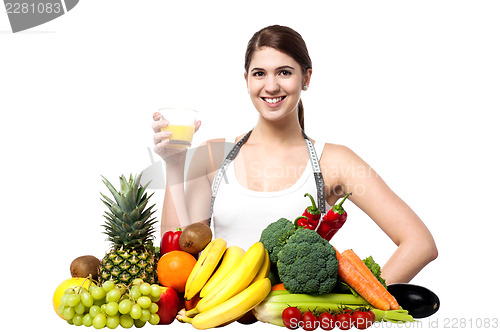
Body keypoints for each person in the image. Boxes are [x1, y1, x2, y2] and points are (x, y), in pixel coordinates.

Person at [152, 25, 437, 284]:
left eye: (284, 72)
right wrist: (175, 166)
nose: (271, 86)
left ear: (306, 78)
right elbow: (178, 258)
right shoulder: (213, 156)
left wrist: (359, 308)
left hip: (298, 321)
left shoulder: (335, 161)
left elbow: (419, 244)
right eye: (259, 73)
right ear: (246, 79)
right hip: (219, 319)